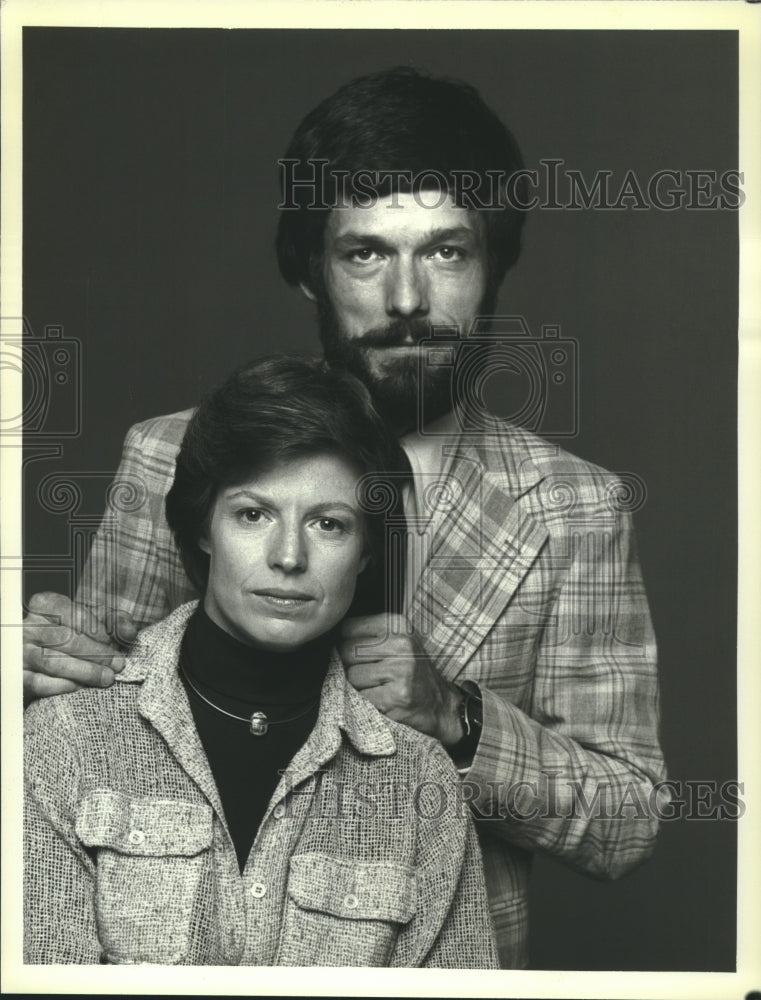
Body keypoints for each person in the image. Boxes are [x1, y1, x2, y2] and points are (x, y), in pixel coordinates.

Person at [23, 67, 667, 968]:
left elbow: (627, 818)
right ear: (308, 274)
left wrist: (459, 719)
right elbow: (88, 732)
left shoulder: (574, 510)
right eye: (365, 253)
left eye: (446, 252)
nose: (407, 299)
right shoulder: (171, 458)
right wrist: (31, 671)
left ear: (494, 266)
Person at [24, 355, 498, 967]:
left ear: (363, 553)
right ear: (203, 527)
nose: (289, 557)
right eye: (254, 514)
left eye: (329, 524)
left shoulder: (419, 781)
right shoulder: (63, 742)